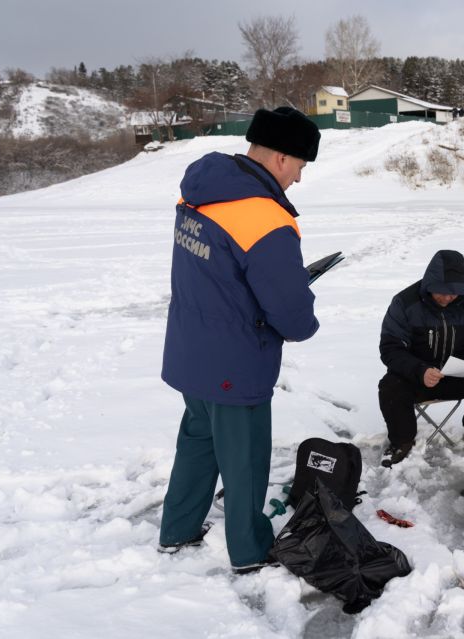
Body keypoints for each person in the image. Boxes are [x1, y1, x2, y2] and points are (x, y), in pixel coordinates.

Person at [158, 106, 321, 574]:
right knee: (245, 460)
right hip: (236, 362)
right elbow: (289, 311)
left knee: (198, 445)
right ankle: (250, 551)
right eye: (300, 166)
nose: (298, 178)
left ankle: (177, 529)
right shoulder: (264, 216)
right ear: (282, 158)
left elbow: (221, 272)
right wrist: (302, 320)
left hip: (192, 350)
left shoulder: (200, 191)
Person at [378, 250, 464, 466]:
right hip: (419, 379)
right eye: (443, 292)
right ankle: (401, 441)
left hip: (460, 376)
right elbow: (390, 348)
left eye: (455, 293)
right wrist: (420, 370)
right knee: (390, 385)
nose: (448, 297)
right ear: (430, 284)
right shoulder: (405, 303)